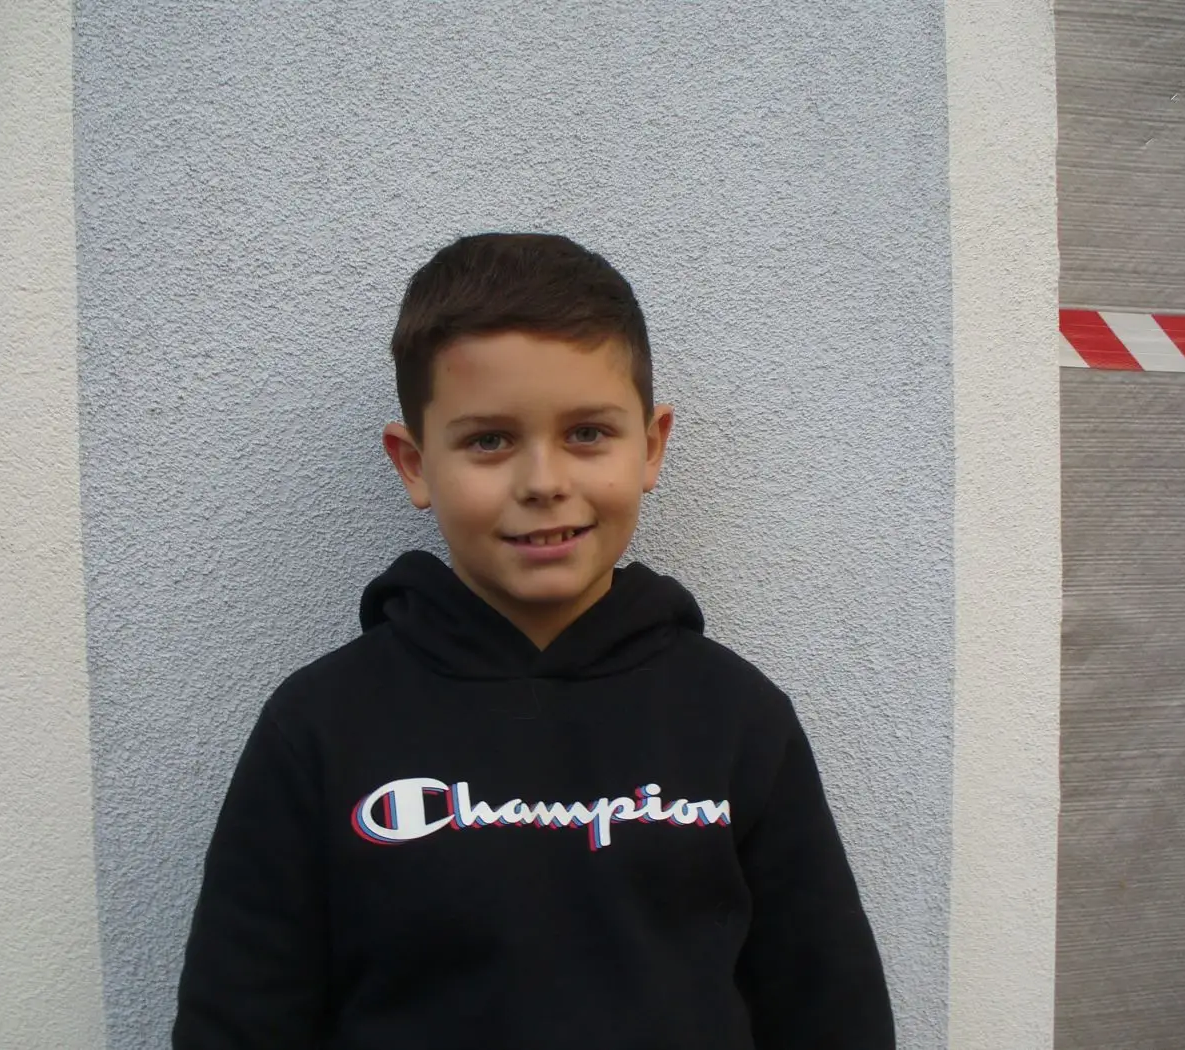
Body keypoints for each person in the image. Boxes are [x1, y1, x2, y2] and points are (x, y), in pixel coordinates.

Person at [172, 233, 895, 1049]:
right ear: (414, 464)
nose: (544, 482)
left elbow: (832, 1012)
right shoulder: (319, 727)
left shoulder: (737, 719)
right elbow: (237, 1021)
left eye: (587, 434)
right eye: (489, 440)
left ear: (652, 446)